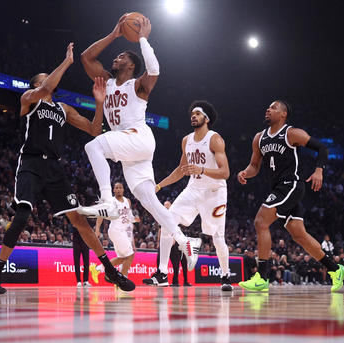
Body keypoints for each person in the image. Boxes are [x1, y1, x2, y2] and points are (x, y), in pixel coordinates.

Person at [0, 43, 135, 294]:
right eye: (44, 80)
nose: (49, 83)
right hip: (31, 164)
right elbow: (46, 87)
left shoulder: (63, 109)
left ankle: (110, 270)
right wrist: (66, 61)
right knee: (22, 216)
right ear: (35, 85)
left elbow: (94, 131)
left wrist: (99, 104)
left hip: (54, 168)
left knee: (79, 220)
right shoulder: (29, 100)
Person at [77, 14, 200, 272]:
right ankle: (185, 240)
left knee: (94, 146)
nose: (116, 58)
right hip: (129, 150)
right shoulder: (106, 82)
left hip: (138, 137)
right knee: (148, 200)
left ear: (131, 66)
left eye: (122, 56)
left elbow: (154, 69)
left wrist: (143, 38)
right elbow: (86, 57)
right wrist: (113, 35)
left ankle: (107, 201)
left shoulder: (137, 85)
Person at [237, 100, 344, 292]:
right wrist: (245, 172)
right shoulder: (259, 138)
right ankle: (336, 269)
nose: (268, 109)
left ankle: (262, 278)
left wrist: (319, 170)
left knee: (260, 222)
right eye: (268, 107)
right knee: (299, 235)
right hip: (278, 188)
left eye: (273, 107)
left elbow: (322, 148)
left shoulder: (291, 133)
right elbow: (255, 166)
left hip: (291, 185)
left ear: (283, 114)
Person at [151, 101, 232, 291]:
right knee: (166, 222)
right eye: (192, 114)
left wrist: (202, 169)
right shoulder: (186, 140)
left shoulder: (215, 139)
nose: (193, 116)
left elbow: (225, 172)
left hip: (215, 192)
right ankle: (162, 273)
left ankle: (225, 275)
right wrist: (160, 185)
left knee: (218, 237)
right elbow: (182, 170)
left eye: (197, 113)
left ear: (207, 118)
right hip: (194, 188)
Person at [94, 182, 140, 278]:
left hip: (123, 231)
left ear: (123, 189)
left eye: (120, 187)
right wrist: (97, 229)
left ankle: (98, 268)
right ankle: (122, 279)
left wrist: (135, 219)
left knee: (122, 259)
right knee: (130, 255)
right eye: (116, 188)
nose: (118, 189)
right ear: (113, 190)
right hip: (116, 231)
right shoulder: (111, 201)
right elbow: (101, 214)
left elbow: (129, 216)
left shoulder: (127, 201)